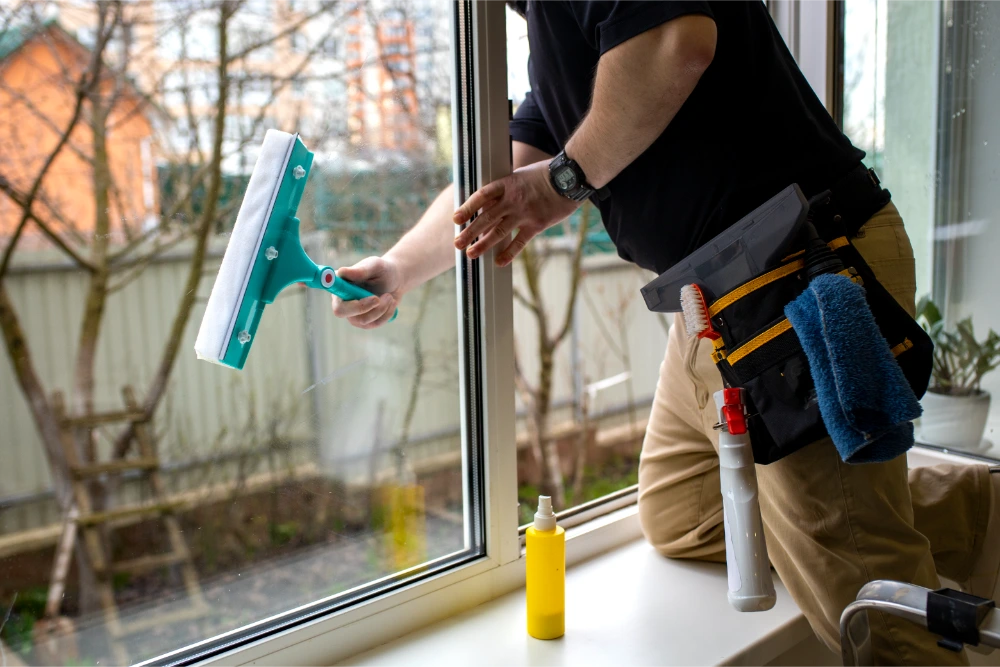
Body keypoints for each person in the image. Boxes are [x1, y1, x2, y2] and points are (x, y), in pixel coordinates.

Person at [330, 1, 1000, 664]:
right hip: (716, 300)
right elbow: (505, 172)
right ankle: (980, 512)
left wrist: (562, 182)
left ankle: (874, 533)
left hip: (801, 277)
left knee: (868, 599)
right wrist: (398, 268)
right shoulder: (554, 33)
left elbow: (679, 43)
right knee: (686, 508)